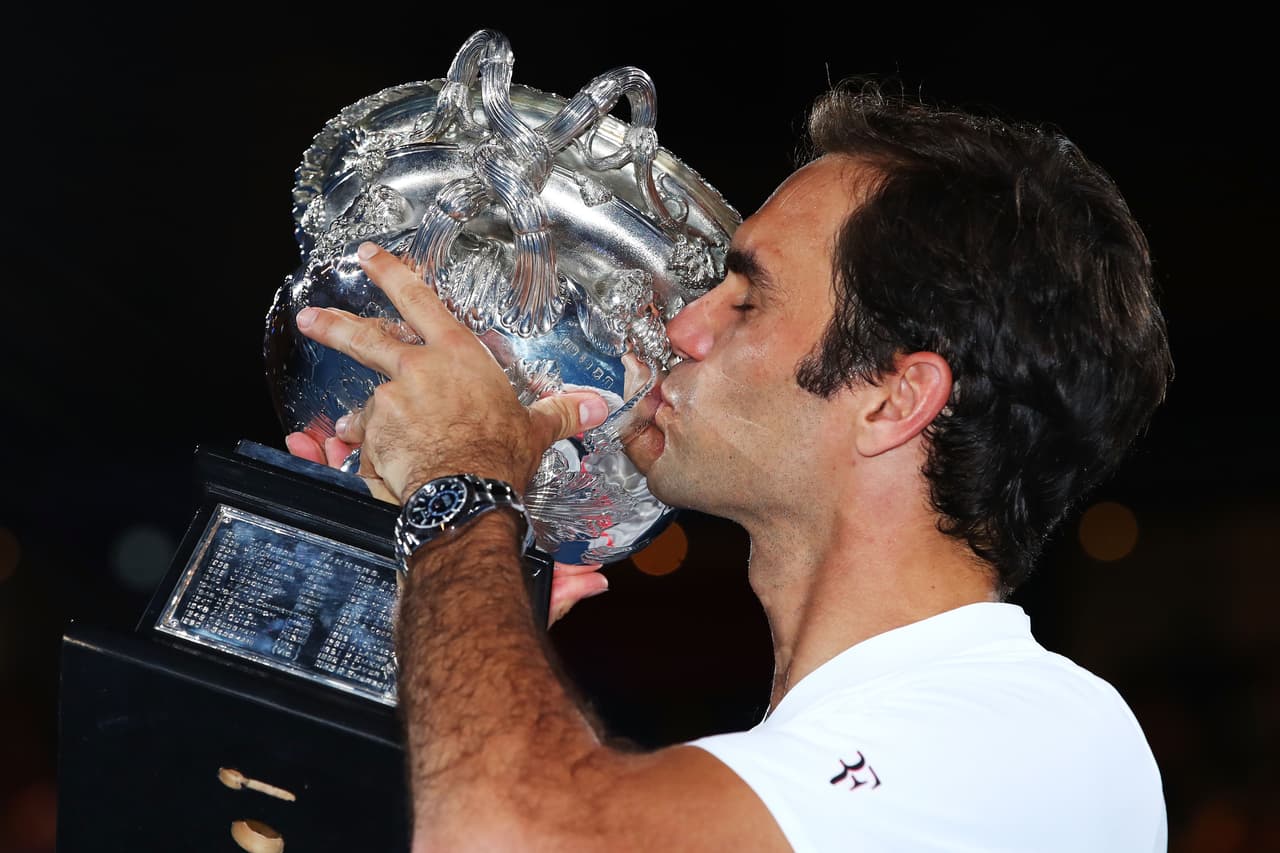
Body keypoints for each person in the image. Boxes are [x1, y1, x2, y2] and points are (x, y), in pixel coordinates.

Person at [290, 82, 1173, 851]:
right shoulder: (818, 759)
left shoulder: (1041, 734)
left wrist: (462, 485)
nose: (684, 329)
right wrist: (418, 610)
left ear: (894, 400)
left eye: (746, 298)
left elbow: (514, 834)